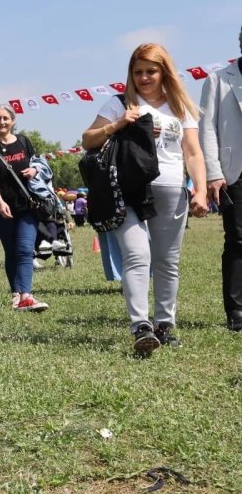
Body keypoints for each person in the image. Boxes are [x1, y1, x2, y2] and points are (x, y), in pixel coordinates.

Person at [82, 43, 207, 354]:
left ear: (164, 72)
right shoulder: (120, 102)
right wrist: (118, 124)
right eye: (137, 72)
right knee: (137, 255)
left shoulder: (180, 106)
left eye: (151, 71)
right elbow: (87, 140)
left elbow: (193, 152)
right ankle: (141, 326)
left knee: (167, 260)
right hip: (128, 189)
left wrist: (201, 189)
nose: (144, 77)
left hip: (171, 187)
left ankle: (165, 323)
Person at [0, 104, 49, 312]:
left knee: (25, 250)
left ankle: (27, 295)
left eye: (5, 118)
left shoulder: (24, 142)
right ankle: (16, 294)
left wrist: (34, 171)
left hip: (27, 206)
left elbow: (38, 163)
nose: (2, 122)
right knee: (11, 252)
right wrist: (0, 203)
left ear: (13, 121)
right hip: (2, 209)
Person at [199, 27, 242, 332]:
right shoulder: (217, 79)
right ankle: (237, 310)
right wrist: (213, 172)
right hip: (233, 171)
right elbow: (206, 129)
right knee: (238, 239)